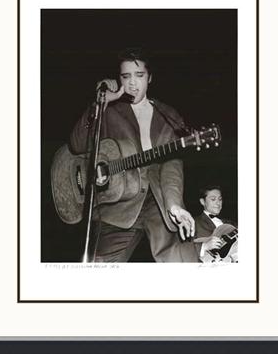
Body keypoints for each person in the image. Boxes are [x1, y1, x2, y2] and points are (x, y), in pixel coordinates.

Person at [69, 48, 199, 262]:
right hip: (117, 208)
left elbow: (171, 165)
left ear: (150, 78)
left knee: (181, 262)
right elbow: (76, 144)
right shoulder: (109, 111)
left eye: (139, 76)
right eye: (125, 76)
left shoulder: (169, 116)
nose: (132, 83)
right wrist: (100, 104)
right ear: (118, 79)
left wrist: (174, 204)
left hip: (157, 201)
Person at [194, 185, 238, 262]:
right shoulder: (194, 222)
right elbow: (183, 247)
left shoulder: (232, 223)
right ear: (202, 201)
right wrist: (204, 246)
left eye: (220, 199)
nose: (218, 203)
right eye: (213, 199)